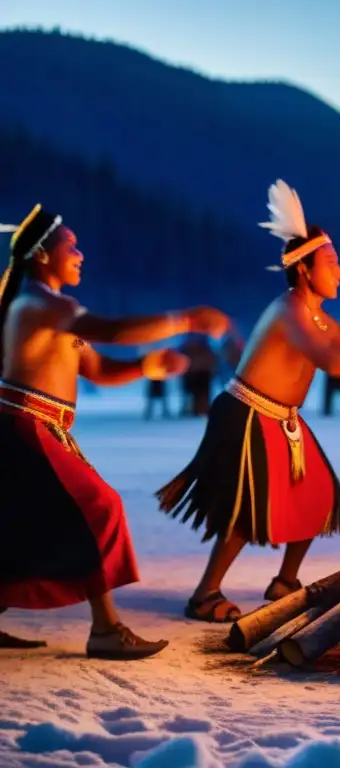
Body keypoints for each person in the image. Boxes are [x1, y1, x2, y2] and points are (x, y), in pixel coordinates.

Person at [156, 180, 340, 622]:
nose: (339, 273)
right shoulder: (290, 310)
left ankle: (285, 582)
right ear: (305, 269)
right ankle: (204, 594)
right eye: (332, 264)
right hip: (246, 414)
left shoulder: (319, 315)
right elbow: (331, 361)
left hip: (283, 420)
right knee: (248, 508)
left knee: (317, 493)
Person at [0, 204, 229, 657]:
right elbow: (109, 329)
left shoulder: (50, 308)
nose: (81, 254)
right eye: (72, 246)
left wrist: (147, 366)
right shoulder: (38, 303)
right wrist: (185, 319)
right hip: (24, 429)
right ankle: (106, 630)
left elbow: (98, 366)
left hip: (39, 430)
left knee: (26, 530)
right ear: (43, 254)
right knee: (98, 509)